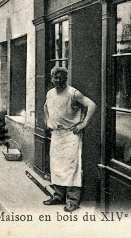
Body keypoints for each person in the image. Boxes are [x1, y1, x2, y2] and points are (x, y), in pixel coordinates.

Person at [43, 65, 96, 212]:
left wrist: (83, 124)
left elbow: (92, 105)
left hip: (70, 135)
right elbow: (46, 107)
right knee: (56, 167)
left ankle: (73, 201)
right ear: (52, 78)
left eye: (61, 77)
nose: (57, 80)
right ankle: (58, 196)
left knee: (72, 168)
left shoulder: (73, 93)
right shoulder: (50, 94)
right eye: (55, 77)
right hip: (56, 135)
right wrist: (48, 121)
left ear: (65, 78)